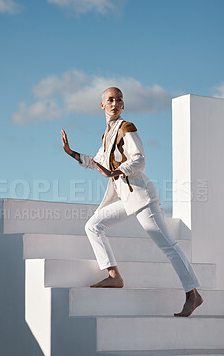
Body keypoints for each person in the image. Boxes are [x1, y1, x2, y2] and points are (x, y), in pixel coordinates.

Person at [61, 87, 203, 317]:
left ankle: (192, 293)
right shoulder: (107, 134)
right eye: (110, 100)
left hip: (142, 197)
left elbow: (139, 160)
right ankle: (114, 276)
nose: (115, 103)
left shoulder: (127, 127)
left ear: (123, 105)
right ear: (102, 105)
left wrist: (117, 171)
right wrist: (72, 153)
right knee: (93, 225)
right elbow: (98, 163)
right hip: (126, 199)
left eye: (119, 100)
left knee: (168, 245)